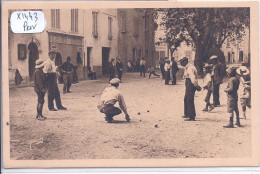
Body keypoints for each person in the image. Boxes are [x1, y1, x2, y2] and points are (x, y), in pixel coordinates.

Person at [179, 56, 201, 121]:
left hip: (190, 84)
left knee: (190, 100)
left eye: (182, 62)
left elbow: (193, 79)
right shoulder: (188, 67)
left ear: (185, 61)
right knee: (186, 99)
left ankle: (191, 116)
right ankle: (187, 113)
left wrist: (196, 86)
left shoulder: (190, 69)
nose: (181, 64)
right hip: (188, 83)